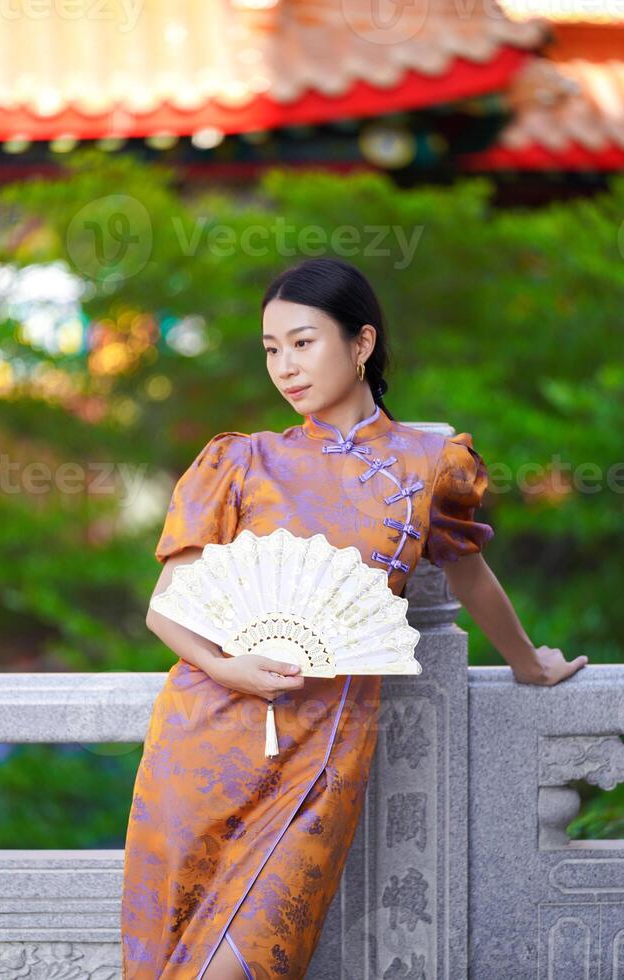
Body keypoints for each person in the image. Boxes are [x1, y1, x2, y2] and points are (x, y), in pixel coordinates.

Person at [120, 257, 588, 979]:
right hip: (206, 734)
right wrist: (223, 666)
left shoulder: (430, 463)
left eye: (303, 343)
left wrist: (529, 664)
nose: (285, 366)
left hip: (324, 747)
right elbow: (168, 607)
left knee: (245, 965)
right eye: (271, 349)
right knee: (168, 954)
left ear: (361, 343)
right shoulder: (242, 462)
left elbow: (469, 573)